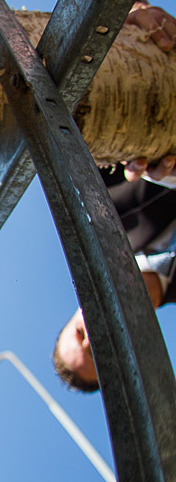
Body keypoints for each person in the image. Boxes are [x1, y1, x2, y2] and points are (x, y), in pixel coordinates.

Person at [53, 158, 176, 392]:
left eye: (80, 333)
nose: (92, 336)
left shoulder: (105, 201)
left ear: (79, 309)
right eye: (97, 352)